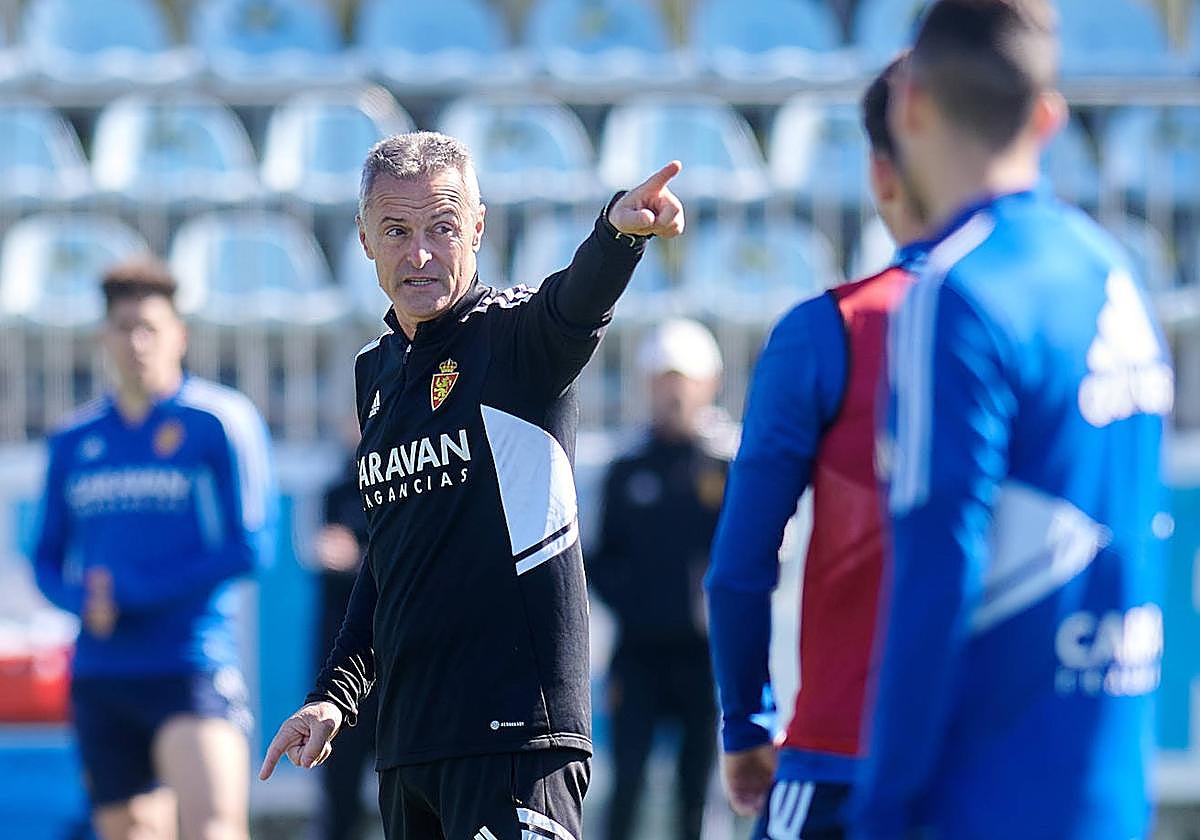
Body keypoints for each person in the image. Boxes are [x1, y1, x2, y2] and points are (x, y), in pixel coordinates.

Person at [259, 131, 685, 840]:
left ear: (478, 228)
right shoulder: (377, 373)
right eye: (396, 230)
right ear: (365, 240)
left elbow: (575, 304)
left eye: (442, 227)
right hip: (408, 748)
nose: (419, 252)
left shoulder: (517, 339)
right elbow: (390, 559)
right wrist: (335, 695)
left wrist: (617, 236)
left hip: (516, 738)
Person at [853, 1, 1173, 837]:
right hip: (1107, 799)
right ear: (1048, 116)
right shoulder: (1115, 271)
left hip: (981, 802)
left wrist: (882, 809)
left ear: (909, 104)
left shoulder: (953, 294)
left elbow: (937, 573)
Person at [704, 56, 927, 839]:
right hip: (1016, 773)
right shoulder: (1085, 314)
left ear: (879, 173)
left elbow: (737, 569)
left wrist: (746, 725)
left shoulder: (833, 330)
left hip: (844, 764)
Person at [31, 258, 275, 840]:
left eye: (151, 328)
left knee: (214, 827)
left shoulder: (216, 421)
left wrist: (138, 592)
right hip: (102, 671)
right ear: (103, 337)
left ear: (179, 336)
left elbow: (250, 546)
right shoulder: (74, 439)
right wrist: (78, 600)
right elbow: (44, 557)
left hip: (190, 661)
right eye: (123, 327)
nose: (137, 342)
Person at [587, 318, 728, 840]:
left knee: (698, 790)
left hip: (703, 657)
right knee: (626, 784)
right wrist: (641, 606)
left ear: (708, 383)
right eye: (664, 379)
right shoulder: (626, 469)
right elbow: (600, 560)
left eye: (683, 379)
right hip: (639, 656)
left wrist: (706, 608)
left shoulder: (726, 467)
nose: (674, 392)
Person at [311, 419, 380, 840]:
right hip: (346, 665)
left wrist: (358, 560)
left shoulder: (418, 488)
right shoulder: (337, 491)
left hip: (399, 660)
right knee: (339, 795)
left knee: (411, 791)